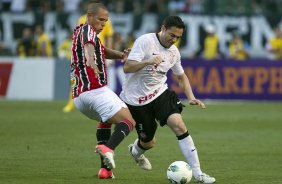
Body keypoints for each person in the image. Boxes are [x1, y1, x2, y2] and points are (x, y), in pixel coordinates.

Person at [120, 16, 216, 183]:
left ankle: (198, 173)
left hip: (159, 93)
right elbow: (127, 67)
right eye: (172, 35)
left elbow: (181, 76)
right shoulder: (145, 41)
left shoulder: (174, 52)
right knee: (148, 142)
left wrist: (191, 97)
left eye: (178, 37)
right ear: (163, 28)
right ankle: (135, 152)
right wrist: (148, 61)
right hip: (136, 100)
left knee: (178, 124)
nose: (174, 40)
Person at [70, 1, 136, 179]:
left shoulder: (83, 33)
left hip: (80, 99)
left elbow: (102, 50)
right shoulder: (86, 30)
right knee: (129, 121)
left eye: (106, 21)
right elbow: (89, 47)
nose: (103, 24)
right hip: (94, 90)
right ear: (89, 17)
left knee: (106, 121)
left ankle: (105, 170)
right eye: (100, 20)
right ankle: (108, 148)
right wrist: (91, 60)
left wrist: (121, 55)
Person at [63, 1, 114, 113]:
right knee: (77, 78)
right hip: (84, 54)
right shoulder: (82, 19)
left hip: (99, 54)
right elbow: (77, 35)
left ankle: (99, 104)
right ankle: (71, 103)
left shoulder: (106, 20)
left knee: (100, 80)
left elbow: (109, 36)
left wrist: (108, 56)